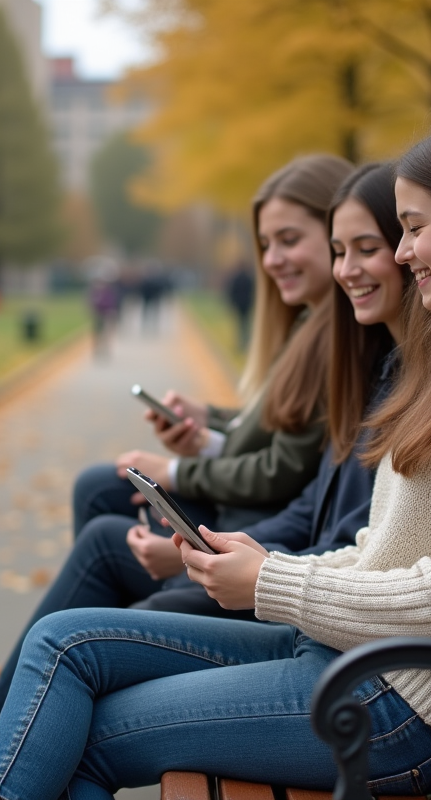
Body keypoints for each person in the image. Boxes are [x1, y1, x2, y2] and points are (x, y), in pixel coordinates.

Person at [0, 115, 431, 800]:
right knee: (63, 644)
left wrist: (273, 585)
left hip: (400, 710)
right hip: (351, 661)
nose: (402, 253)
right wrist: (267, 565)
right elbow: (382, 553)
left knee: (87, 737)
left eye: (415, 228)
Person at [0, 160, 406, 800]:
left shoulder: (373, 353)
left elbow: (301, 485)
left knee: (85, 628)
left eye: (364, 248)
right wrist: (206, 452)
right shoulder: (345, 342)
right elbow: (301, 474)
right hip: (297, 593)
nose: (281, 259)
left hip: (320, 634)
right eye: (335, 250)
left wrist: (200, 506)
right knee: (95, 551)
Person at [71, 153, 354, 544]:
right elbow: (279, 425)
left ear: (340, 233)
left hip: (255, 527)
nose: (271, 260)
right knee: (100, 493)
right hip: (247, 516)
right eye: (265, 244)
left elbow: (283, 468)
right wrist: (207, 421)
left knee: (102, 523)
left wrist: (177, 472)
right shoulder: (309, 323)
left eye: (289, 240)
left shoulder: (340, 337)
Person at [225, 262, 254, 351]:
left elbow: (232, 292)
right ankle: (245, 342)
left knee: (240, 325)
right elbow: (253, 292)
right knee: (245, 324)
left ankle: (241, 343)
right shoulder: (248, 278)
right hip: (247, 304)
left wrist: (232, 303)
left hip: (239, 305)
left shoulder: (236, 278)